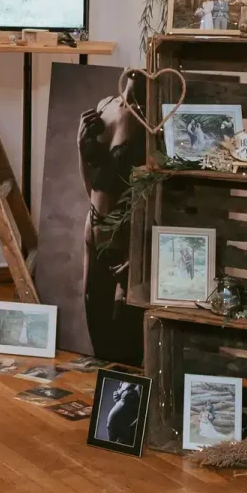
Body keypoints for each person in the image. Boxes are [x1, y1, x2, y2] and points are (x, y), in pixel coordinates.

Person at [76, 71, 146, 365]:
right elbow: (91, 183)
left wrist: (141, 254)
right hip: (93, 236)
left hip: (124, 245)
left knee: (124, 340)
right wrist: (81, 144)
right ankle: (101, 399)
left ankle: (129, 398)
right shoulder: (105, 106)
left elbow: (155, 192)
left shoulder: (149, 120)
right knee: (97, 327)